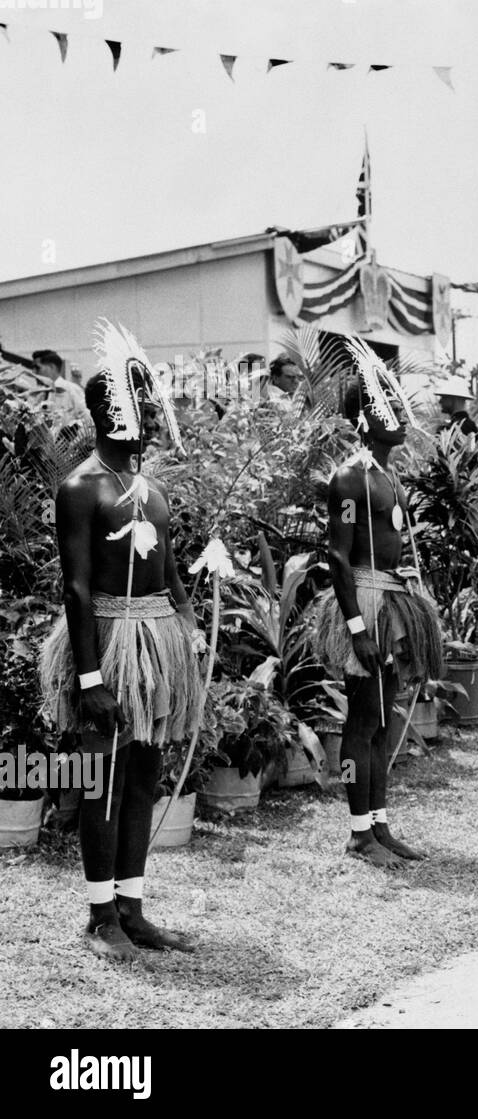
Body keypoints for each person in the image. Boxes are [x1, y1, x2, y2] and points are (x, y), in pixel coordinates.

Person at [39, 321, 204, 962]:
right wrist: (90, 680)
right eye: (146, 399)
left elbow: (167, 578)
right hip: (106, 645)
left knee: (143, 776)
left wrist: (187, 639)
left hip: (155, 644)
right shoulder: (82, 488)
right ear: (115, 410)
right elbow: (76, 591)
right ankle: (100, 913)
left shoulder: (153, 492)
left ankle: (132, 907)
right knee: (102, 779)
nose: (157, 412)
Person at [310, 338, 443, 867]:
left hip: (392, 598)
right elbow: (338, 557)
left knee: (384, 722)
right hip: (366, 602)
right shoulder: (350, 478)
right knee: (362, 721)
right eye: (390, 403)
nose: (403, 414)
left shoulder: (388, 477)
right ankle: (357, 831)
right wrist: (359, 627)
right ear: (366, 416)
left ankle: (380, 823)